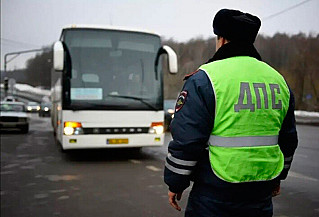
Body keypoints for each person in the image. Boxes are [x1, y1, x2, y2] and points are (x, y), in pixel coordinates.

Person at [164, 9, 298, 217]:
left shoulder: (205, 79)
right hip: (261, 191)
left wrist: (176, 182)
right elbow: (288, 138)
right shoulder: (278, 80)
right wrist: (279, 177)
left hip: (215, 193)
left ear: (222, 39)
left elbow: (187, 139)